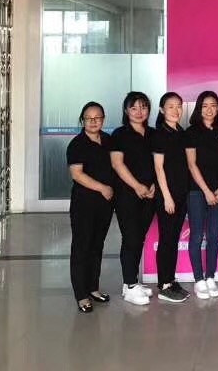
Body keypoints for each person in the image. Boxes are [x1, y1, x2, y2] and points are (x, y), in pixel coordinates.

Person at [67, 101, 114, 313]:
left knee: (97, 245)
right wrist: (103, 188)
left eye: (98, 118)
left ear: (103, 119)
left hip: (105, 204)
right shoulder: (77, 145)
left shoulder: (108, 141)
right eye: (89, 118)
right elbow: (77, 174)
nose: (94, 122)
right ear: (82, 120)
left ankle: (93, 288)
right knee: (82, 247)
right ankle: (81, 295)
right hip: (84, 204)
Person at [111, 92, 156, 306]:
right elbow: (117, 164)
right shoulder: (119, 134)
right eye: (134, 107)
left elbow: (159, 164)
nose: (139, 112)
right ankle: (129, 285)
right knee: (131, 238)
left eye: (143, 107)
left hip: (149, 193)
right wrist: (137, 186)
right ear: (126, 110)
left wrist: (153, 185)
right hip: (127, 194)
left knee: (140, 237)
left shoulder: (153, 134)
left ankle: (131, 282)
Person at [185, 90, 218, 300]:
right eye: (205, 105)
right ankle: (199, 279)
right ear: (199, 108)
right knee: (196, 236)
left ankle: (210, 276)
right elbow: (192, 164)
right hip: (197, 191)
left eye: (213, 105)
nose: (209, 109)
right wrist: (206, 191)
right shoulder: (191, 132)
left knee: (213, 235)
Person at [151, 92, 190, 303]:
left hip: (182, 194)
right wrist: (166, 196)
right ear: (162, 110)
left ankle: (170, 279)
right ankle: (164, 284)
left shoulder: (181, 133)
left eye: (178, 106)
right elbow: (159, 168)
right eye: (170, 106)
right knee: (166, 239)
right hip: (168, 196)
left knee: (173, 239)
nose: (175, 110)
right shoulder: (159, 134)